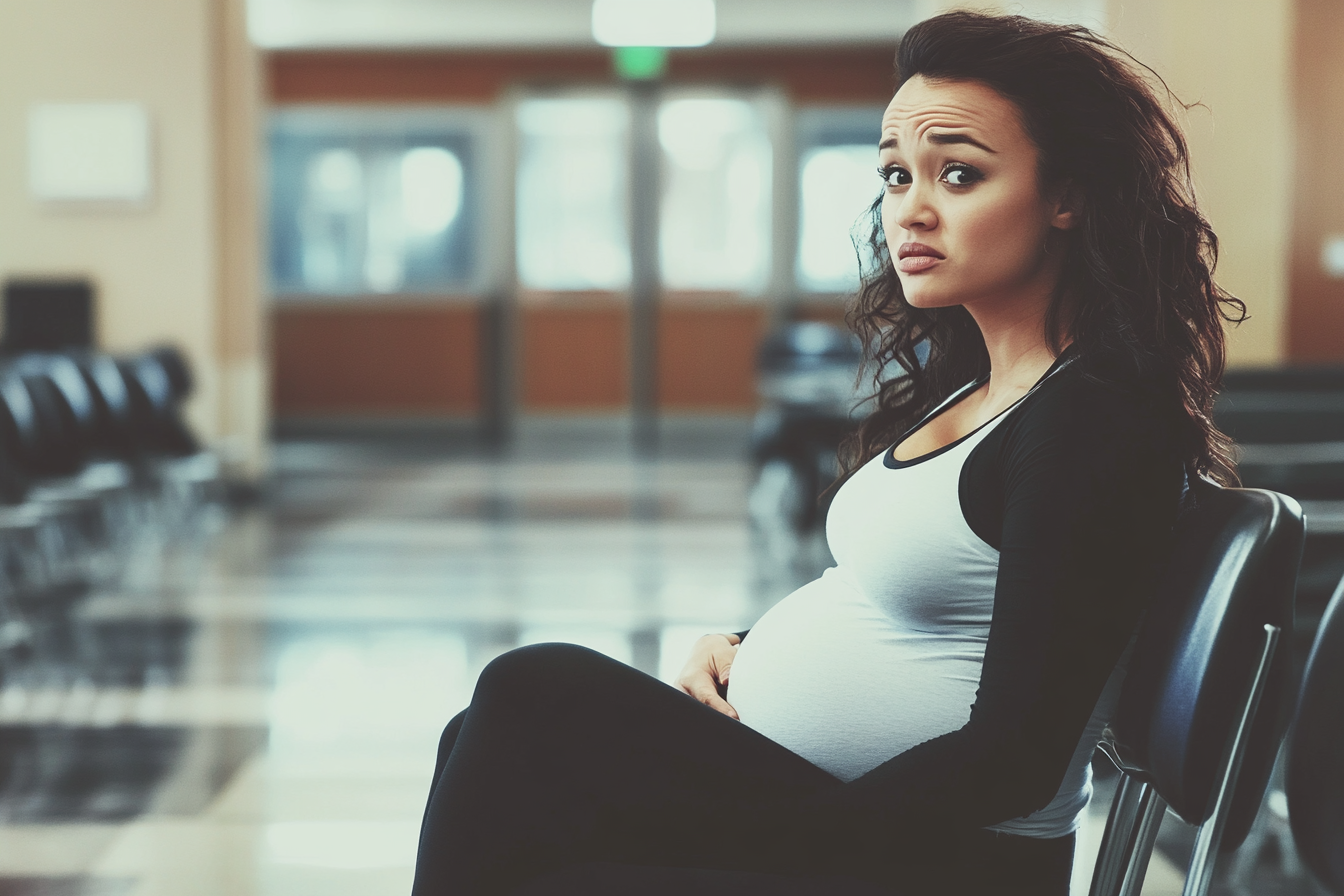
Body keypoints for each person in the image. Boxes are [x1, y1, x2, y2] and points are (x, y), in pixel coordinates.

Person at [411, 11, 1246, 896]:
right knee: (489, 736)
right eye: (894, 175)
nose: (910, 209)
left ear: (1068, 193)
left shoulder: (1096, 420)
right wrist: (745, 644)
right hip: (847, 819)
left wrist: (768, 835)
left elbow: (1017, 759)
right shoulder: (985, 386)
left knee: (530, 697)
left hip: (926, 858)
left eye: (959, 174)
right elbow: (917, 606)